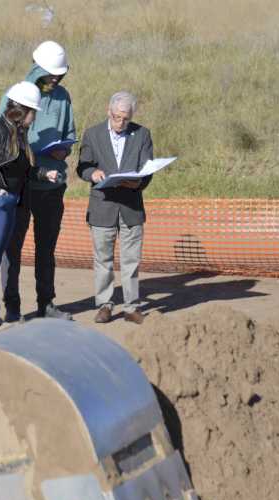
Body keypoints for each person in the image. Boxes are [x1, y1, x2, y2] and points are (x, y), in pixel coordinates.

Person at [0, 81, 61, 336]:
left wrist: (43, 173)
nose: (35, 117)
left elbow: (23, 168)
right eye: (33, 112)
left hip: (7, 202)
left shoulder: (17, 134)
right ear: (22, 110)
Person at [0, 41, 76, 322]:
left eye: (59, 74)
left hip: (52, 186)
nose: (55, 79)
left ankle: (47, 304)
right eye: (50, 74)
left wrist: (62, 150)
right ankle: (13, 308)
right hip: (21, 186)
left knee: (46, 249)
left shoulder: (64, 97)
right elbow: (1, 134)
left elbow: (70, 133)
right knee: (13, 250)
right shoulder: (16, 94)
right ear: (36, 68)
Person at [76, 91, 153, 325]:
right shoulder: (92, 134)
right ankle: (105, 305)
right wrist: (93, 173)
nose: (121, 123)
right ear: (109, 112)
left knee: (131, 260)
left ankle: (131, 307)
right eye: (117, 117)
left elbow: (147, 169)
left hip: (131, 207)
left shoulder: (142, 134)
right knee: (103, 260)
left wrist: (138, 181)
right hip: (102, 206)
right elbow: (82, 166)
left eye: (126, 118)